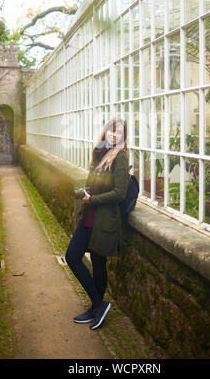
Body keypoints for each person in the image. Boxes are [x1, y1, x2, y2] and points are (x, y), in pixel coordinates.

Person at [65, 118, 129, 330]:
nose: (113, 135)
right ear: (105, 132)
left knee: (92, 261)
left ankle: (97, 306)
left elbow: (120, 193)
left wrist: (92, 200)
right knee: (74, 256)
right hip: (89, 216)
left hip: (103, 220)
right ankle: (97, 306)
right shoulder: (100, 154)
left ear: (122, 137)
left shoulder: (119, 157)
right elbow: (94, 186)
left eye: (118, 133)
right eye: (111, 131)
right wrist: (81, 193)